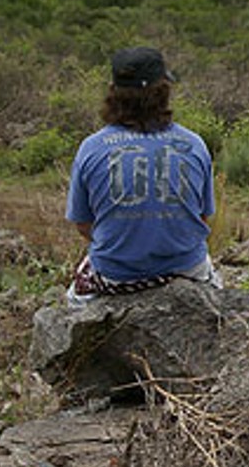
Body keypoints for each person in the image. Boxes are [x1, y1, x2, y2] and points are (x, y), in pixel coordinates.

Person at [65, 46, 220, 301]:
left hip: (117, 275)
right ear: (163, 91)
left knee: (75, 296)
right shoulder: (194, 144)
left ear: (113, 92)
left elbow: (83, 225)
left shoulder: (91, 149)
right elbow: (201, 220)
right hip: (186, 270)